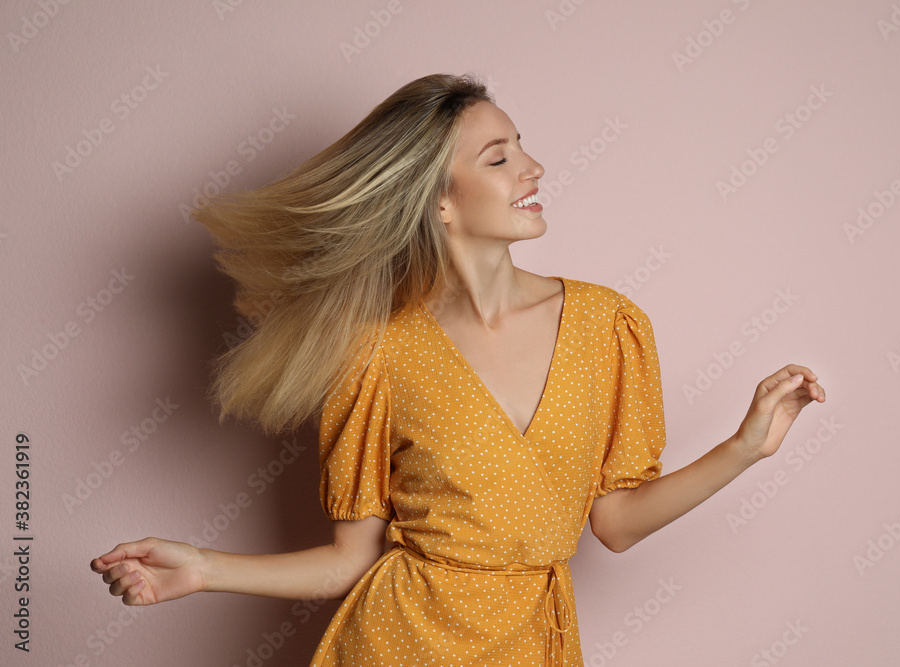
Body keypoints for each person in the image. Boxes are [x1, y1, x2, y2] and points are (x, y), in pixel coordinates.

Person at [91, 73, 826, 666]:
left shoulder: (610, 325)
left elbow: (617, 522)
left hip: (535, 643)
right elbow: (349, 561)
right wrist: (202, 566)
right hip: (395, 641)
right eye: (499, 156)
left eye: (522, 146)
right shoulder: (373, 351)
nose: (532, 168)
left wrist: (744, 448)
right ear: (440, 200)